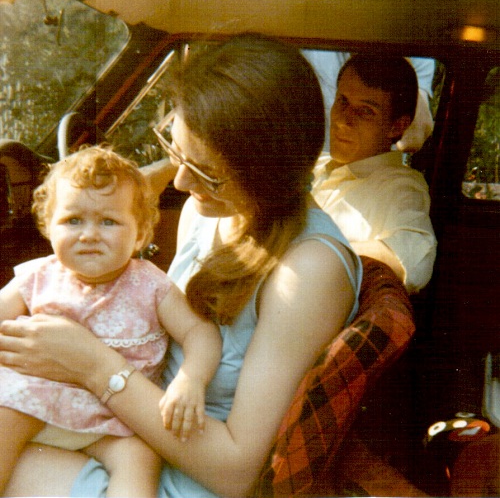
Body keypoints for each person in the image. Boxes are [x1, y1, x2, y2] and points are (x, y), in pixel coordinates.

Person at [0, 33, 362, 497]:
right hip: (129, 425)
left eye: (207, 170)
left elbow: (236, 472)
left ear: (269, 167)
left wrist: (91, 365)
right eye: (176, 151)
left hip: (179, 476)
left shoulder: (308, 272)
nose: (180, 179)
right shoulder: (211, 207)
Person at [0, 146, 222, 497]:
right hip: (36, 401)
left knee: (141, 458)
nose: (89, 234)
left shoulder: (151, 285)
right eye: (73, 220)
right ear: (48, 226)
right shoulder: (38, 276)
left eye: (108, 221)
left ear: (140, 233)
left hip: (115, 419)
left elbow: (200, 332)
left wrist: (190, 379)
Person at [312, 54, 437, 293]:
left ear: (397, 126)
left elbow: (415, 262)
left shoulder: (401, 186)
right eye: (343, 101)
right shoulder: (314, 166)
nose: (343, 121)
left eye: (365, 111)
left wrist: (311, 248)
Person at [303, 50, 436, 152]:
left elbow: (413, 139)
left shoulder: (413, 48)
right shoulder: (311, 32)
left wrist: (394, 52)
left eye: (366, 111)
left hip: (375, 177)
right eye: (342, 101)